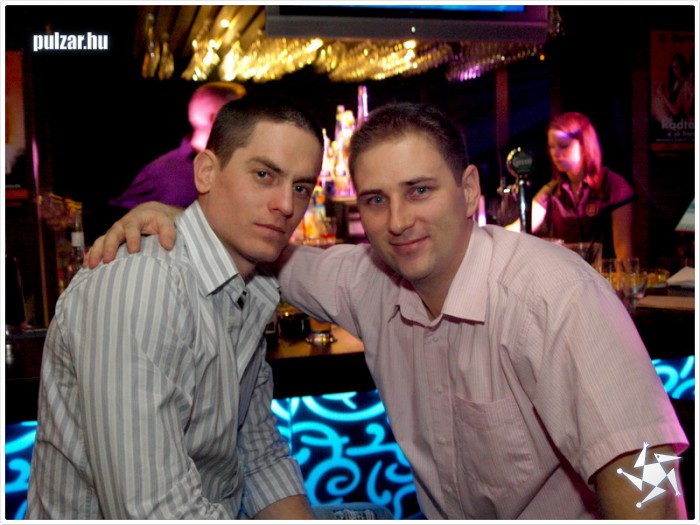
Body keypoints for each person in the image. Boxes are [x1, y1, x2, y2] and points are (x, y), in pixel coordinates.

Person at [87, 102, 688, 520]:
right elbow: (269, 250)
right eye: (376, 199)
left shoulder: (553, 294)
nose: (398, 222)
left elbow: (648, 465)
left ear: (469, 190)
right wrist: (186, 218)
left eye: (420, 190)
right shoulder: (369, 282)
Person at [27, 95, 325, 519]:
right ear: (206, 173)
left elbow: (260, 456)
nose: (286, 205)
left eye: (300, 187)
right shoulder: (143, 285)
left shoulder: (252, 289)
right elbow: (156, 512)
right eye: (264, 175)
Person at [108, 81, 247, 210]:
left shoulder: (240, 166)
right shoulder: (162, 173)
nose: (248, 123)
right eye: (240, 116)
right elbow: (117, 218)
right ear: (214, 118)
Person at [524, 112, 636, 261]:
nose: (555, 153)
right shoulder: (552, 190)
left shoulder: (614, 186)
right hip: (568, 272)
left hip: (604, 273)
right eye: (551, 147)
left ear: (584, 145)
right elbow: (522, 226)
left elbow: (623, 249)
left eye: (563, 146)